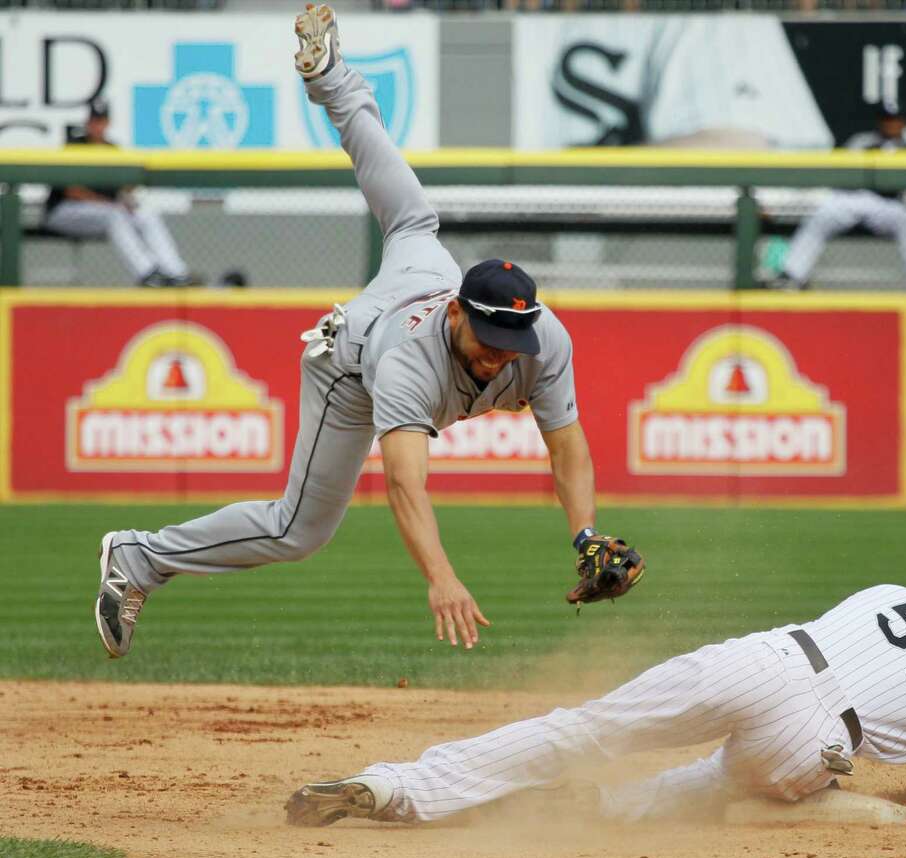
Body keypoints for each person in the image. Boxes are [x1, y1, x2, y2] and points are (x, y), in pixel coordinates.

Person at [93, 4, 624, 659]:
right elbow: (405, 481)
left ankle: (332, 69)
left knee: (407, 207)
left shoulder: (534, 334)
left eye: (510, 344)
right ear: (458, 313)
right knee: (298, 529)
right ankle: (138, 555)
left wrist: (586, 537)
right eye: (489, 339)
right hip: (350, 365)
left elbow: (566, 445)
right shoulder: (409, 363)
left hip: (413, 277)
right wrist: (442, 577)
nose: (498, 358)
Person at [285, 584, 906, 827]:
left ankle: (395, 786)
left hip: (763, 658)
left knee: (586, 727)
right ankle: (565, 812)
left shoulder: (895, 592)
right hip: (814, 740)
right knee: (703, 789)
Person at [774, 103, 906, 292]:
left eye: (894, 120)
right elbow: (841, 172)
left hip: (887, 204)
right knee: (821, 216)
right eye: (886, 120)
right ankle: (792, 274)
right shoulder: (862, 141)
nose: (890, 124)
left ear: (903, 122)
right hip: (852, 199)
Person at [43, 98, 199, 287]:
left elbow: (121, 189)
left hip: (101, 212)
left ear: (107, 123)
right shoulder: (74, 147)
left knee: (146, 214)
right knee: (114, 215)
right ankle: (147, 273)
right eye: (93, 121)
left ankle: (175, 271)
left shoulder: (112, 149)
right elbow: (72, 191)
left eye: (100, 121)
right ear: (87, 123)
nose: (97, 125)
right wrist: (112, 204)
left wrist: (127, 199)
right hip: (63, 212)